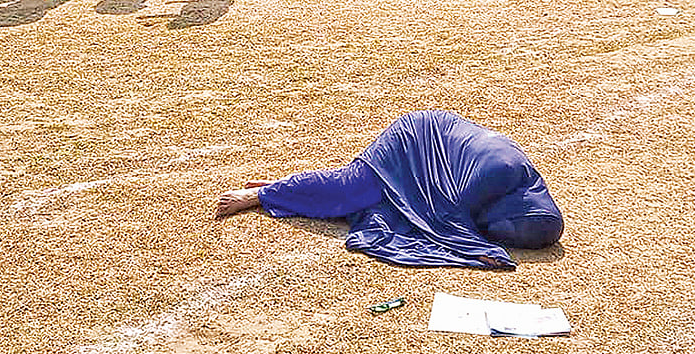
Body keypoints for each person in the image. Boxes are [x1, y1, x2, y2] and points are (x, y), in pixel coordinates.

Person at [215, 110, 564, 269]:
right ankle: (261, 195)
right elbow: (448, 215)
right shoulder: (501, 174)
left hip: (437, 164)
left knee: (380, 204)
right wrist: (477, 250)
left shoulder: (519, 184)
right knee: (349, 190)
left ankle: (284, 189)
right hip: (416, 141)